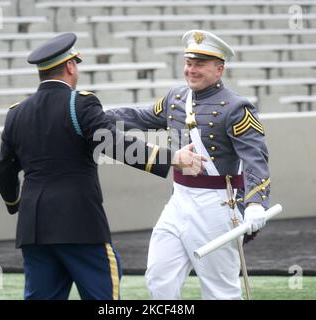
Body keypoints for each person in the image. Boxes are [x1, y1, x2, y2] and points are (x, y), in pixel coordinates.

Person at [0, 32, 204, 300]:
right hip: (80, 224)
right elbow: (113, 143)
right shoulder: (79, 103)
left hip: (33, 228)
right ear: (70, 66)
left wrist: (14, 204)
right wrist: (171, 157)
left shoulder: (16, 112)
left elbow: (4, 168)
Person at [105, 30, 270, 300]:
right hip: (178, 200)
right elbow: (139, 116)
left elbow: (255, 159)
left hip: (217, 206)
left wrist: (254, 204)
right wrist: (94, 116)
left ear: (219, 69)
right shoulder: (176, 98)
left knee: (220, 291)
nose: (191, 70)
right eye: (189, 63)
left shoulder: (238, 108)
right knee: (159, 279)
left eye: (200, 64)